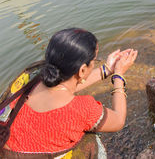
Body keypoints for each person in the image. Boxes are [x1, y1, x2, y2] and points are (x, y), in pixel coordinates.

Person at [0, 28, 138, 158]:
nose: (95, 63)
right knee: (93, 140)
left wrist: (107, 69)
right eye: (94, 60)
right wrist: (119, 75)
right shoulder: (82, 109)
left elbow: (64, 86)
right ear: (82, 70)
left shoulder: (33, 77)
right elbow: (118, 120)